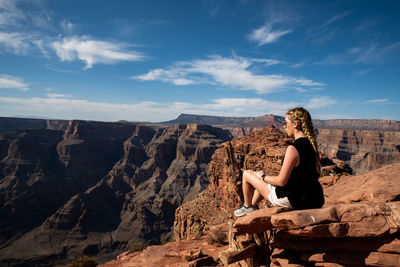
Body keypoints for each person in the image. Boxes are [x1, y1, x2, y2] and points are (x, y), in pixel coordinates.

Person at [234, 107, 324, 217]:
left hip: (293, 199)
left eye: (286, 123)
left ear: (295, 124)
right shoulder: (312, 146)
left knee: (247, 174)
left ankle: (247, 206)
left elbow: (281, 182)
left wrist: (263, 176)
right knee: (267, 183)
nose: (284, 126)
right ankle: (252, 206)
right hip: (314, 199)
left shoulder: (293, 148)